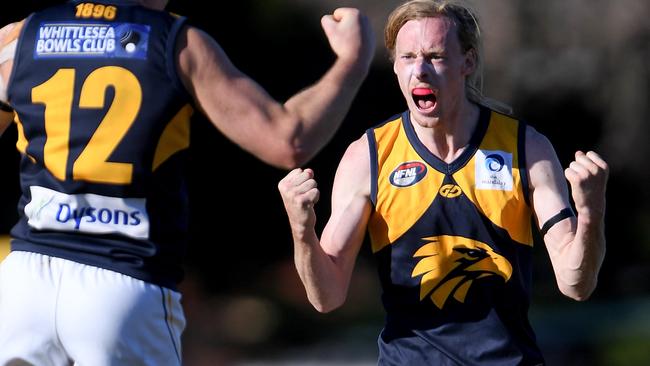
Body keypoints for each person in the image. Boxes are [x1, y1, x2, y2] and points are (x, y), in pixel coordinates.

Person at [0, 0, 375, 364]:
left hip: (25, 284)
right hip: (121, 280)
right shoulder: (176, 41)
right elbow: (288, 140)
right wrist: (352, 61)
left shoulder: (21, 36)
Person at [278, 0, 608, 364]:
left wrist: (590, 211)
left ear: (467, 62)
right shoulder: (367, 157)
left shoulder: (526, 148)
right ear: (395, 66)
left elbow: (575, 283)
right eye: (407, 58)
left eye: (435, 56)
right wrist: (302, 230)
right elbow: (327, 297)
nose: (419, 70)